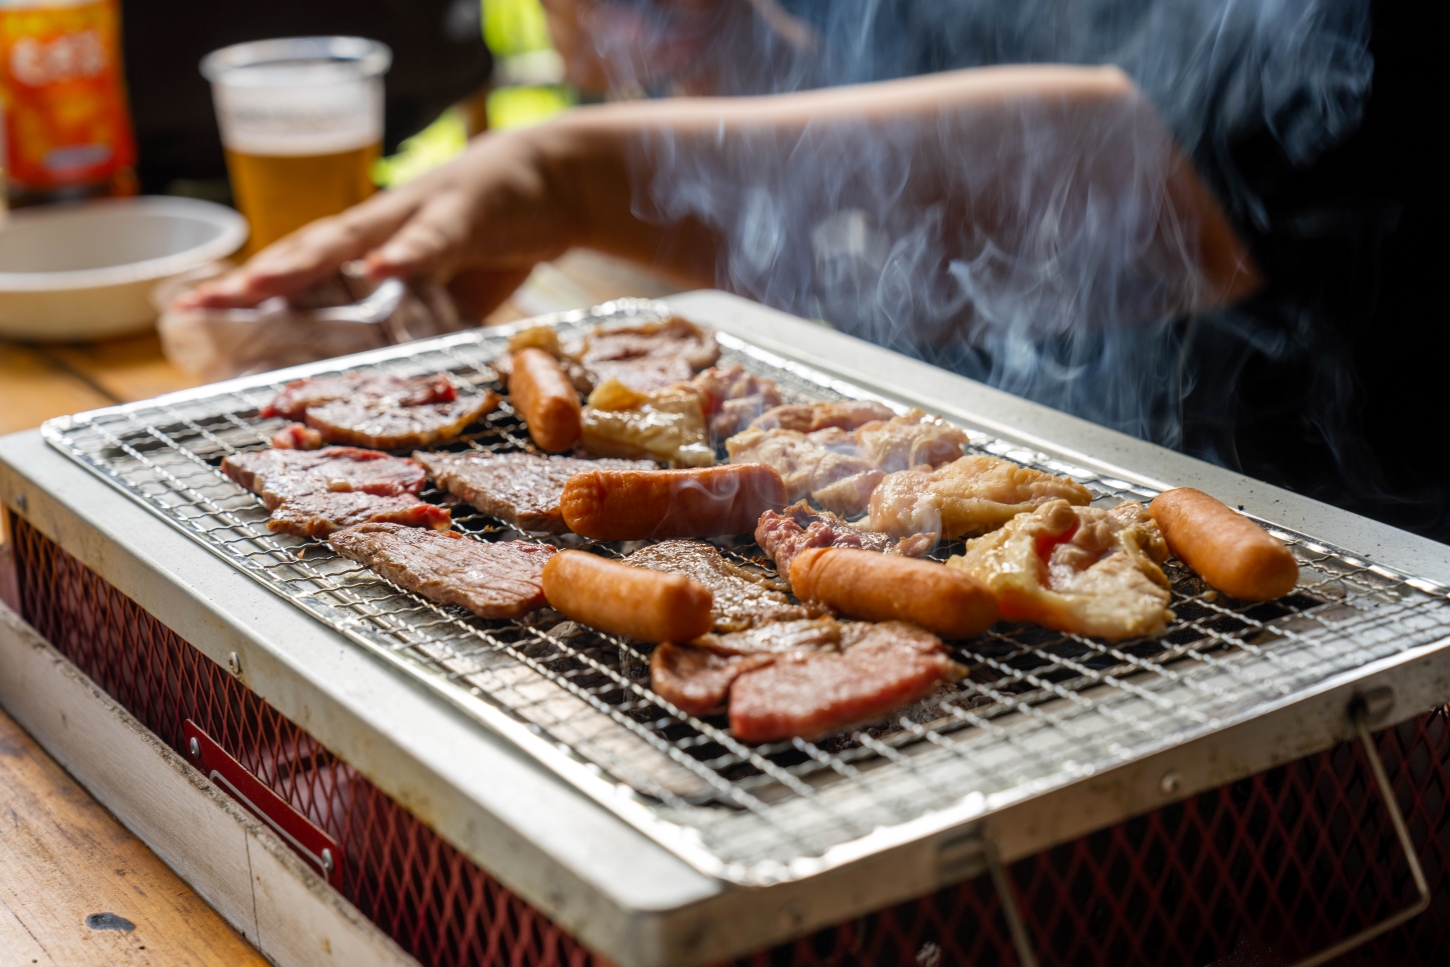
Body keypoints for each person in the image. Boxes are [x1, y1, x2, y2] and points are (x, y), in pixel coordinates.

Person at [184, 0, 1448, 542]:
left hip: (1339, 554)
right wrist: (716, 45)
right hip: (970, 454)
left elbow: (1167, 182)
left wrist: (565, 175)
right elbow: (902, 211)